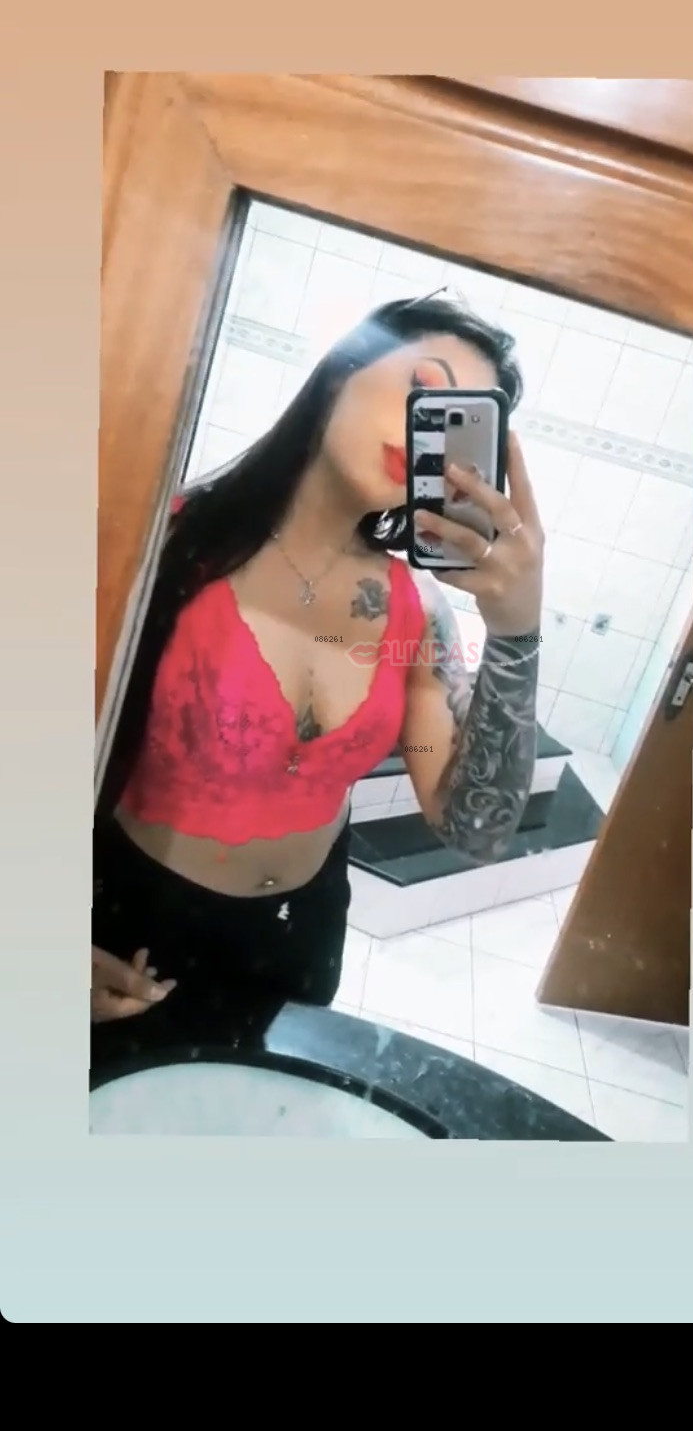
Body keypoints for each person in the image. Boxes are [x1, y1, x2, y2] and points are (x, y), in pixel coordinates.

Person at [91, 294, 544, 1064]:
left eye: (457, 426)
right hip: (128, 929)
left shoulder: (417, 612)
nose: (427, 432)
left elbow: (476, 829)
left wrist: (516, 632)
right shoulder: (162, 540)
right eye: (421, 388)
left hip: (298, 943)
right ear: (342, 370)